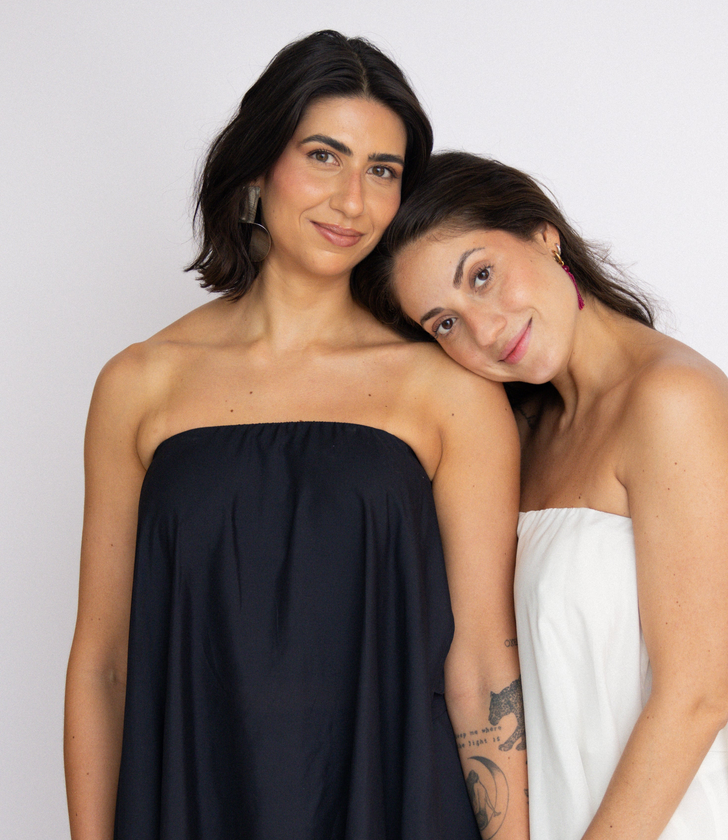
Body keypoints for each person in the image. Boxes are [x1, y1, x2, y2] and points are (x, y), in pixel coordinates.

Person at [64, 37, 529, 840]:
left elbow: (483, 661)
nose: (352, 200)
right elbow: (104, 664)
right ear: (257, 166)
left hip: (395, 808)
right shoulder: (139, 384)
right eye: (324, 156)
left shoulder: (449, 390)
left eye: (382, 170)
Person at [353, 151, 728, 839]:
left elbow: (696, 699)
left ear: (544, 235)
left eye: (482, 275)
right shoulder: (525, 437)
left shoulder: (672, 400)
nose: (484, 330)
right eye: (444, 323)